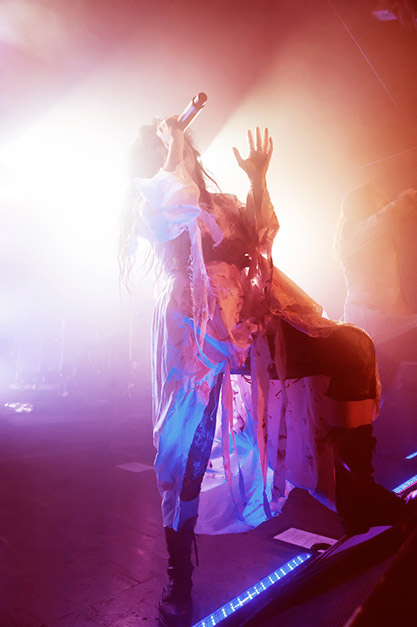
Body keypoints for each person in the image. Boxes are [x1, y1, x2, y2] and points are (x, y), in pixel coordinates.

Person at [119, 119, 416, 627]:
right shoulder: (155, 199)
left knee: (350, 348)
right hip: (196, 334)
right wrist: (169, 150)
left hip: (254, 326)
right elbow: (170, 210)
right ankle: (177, 577)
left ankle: (360, 495)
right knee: (187, 453)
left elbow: (260, 240)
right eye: (168, 150)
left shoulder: (223, 204)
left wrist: (257, 180)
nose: (180, 154)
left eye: (184, 149)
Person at [336, 183, 417, 390]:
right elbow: (393, 212)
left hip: (376, 320)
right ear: (365, 203)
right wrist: (409, 196)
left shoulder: (364, 234)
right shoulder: (358, 232)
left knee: (380, 391)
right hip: (372, 321)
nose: (385, 199)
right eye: (379, 197)